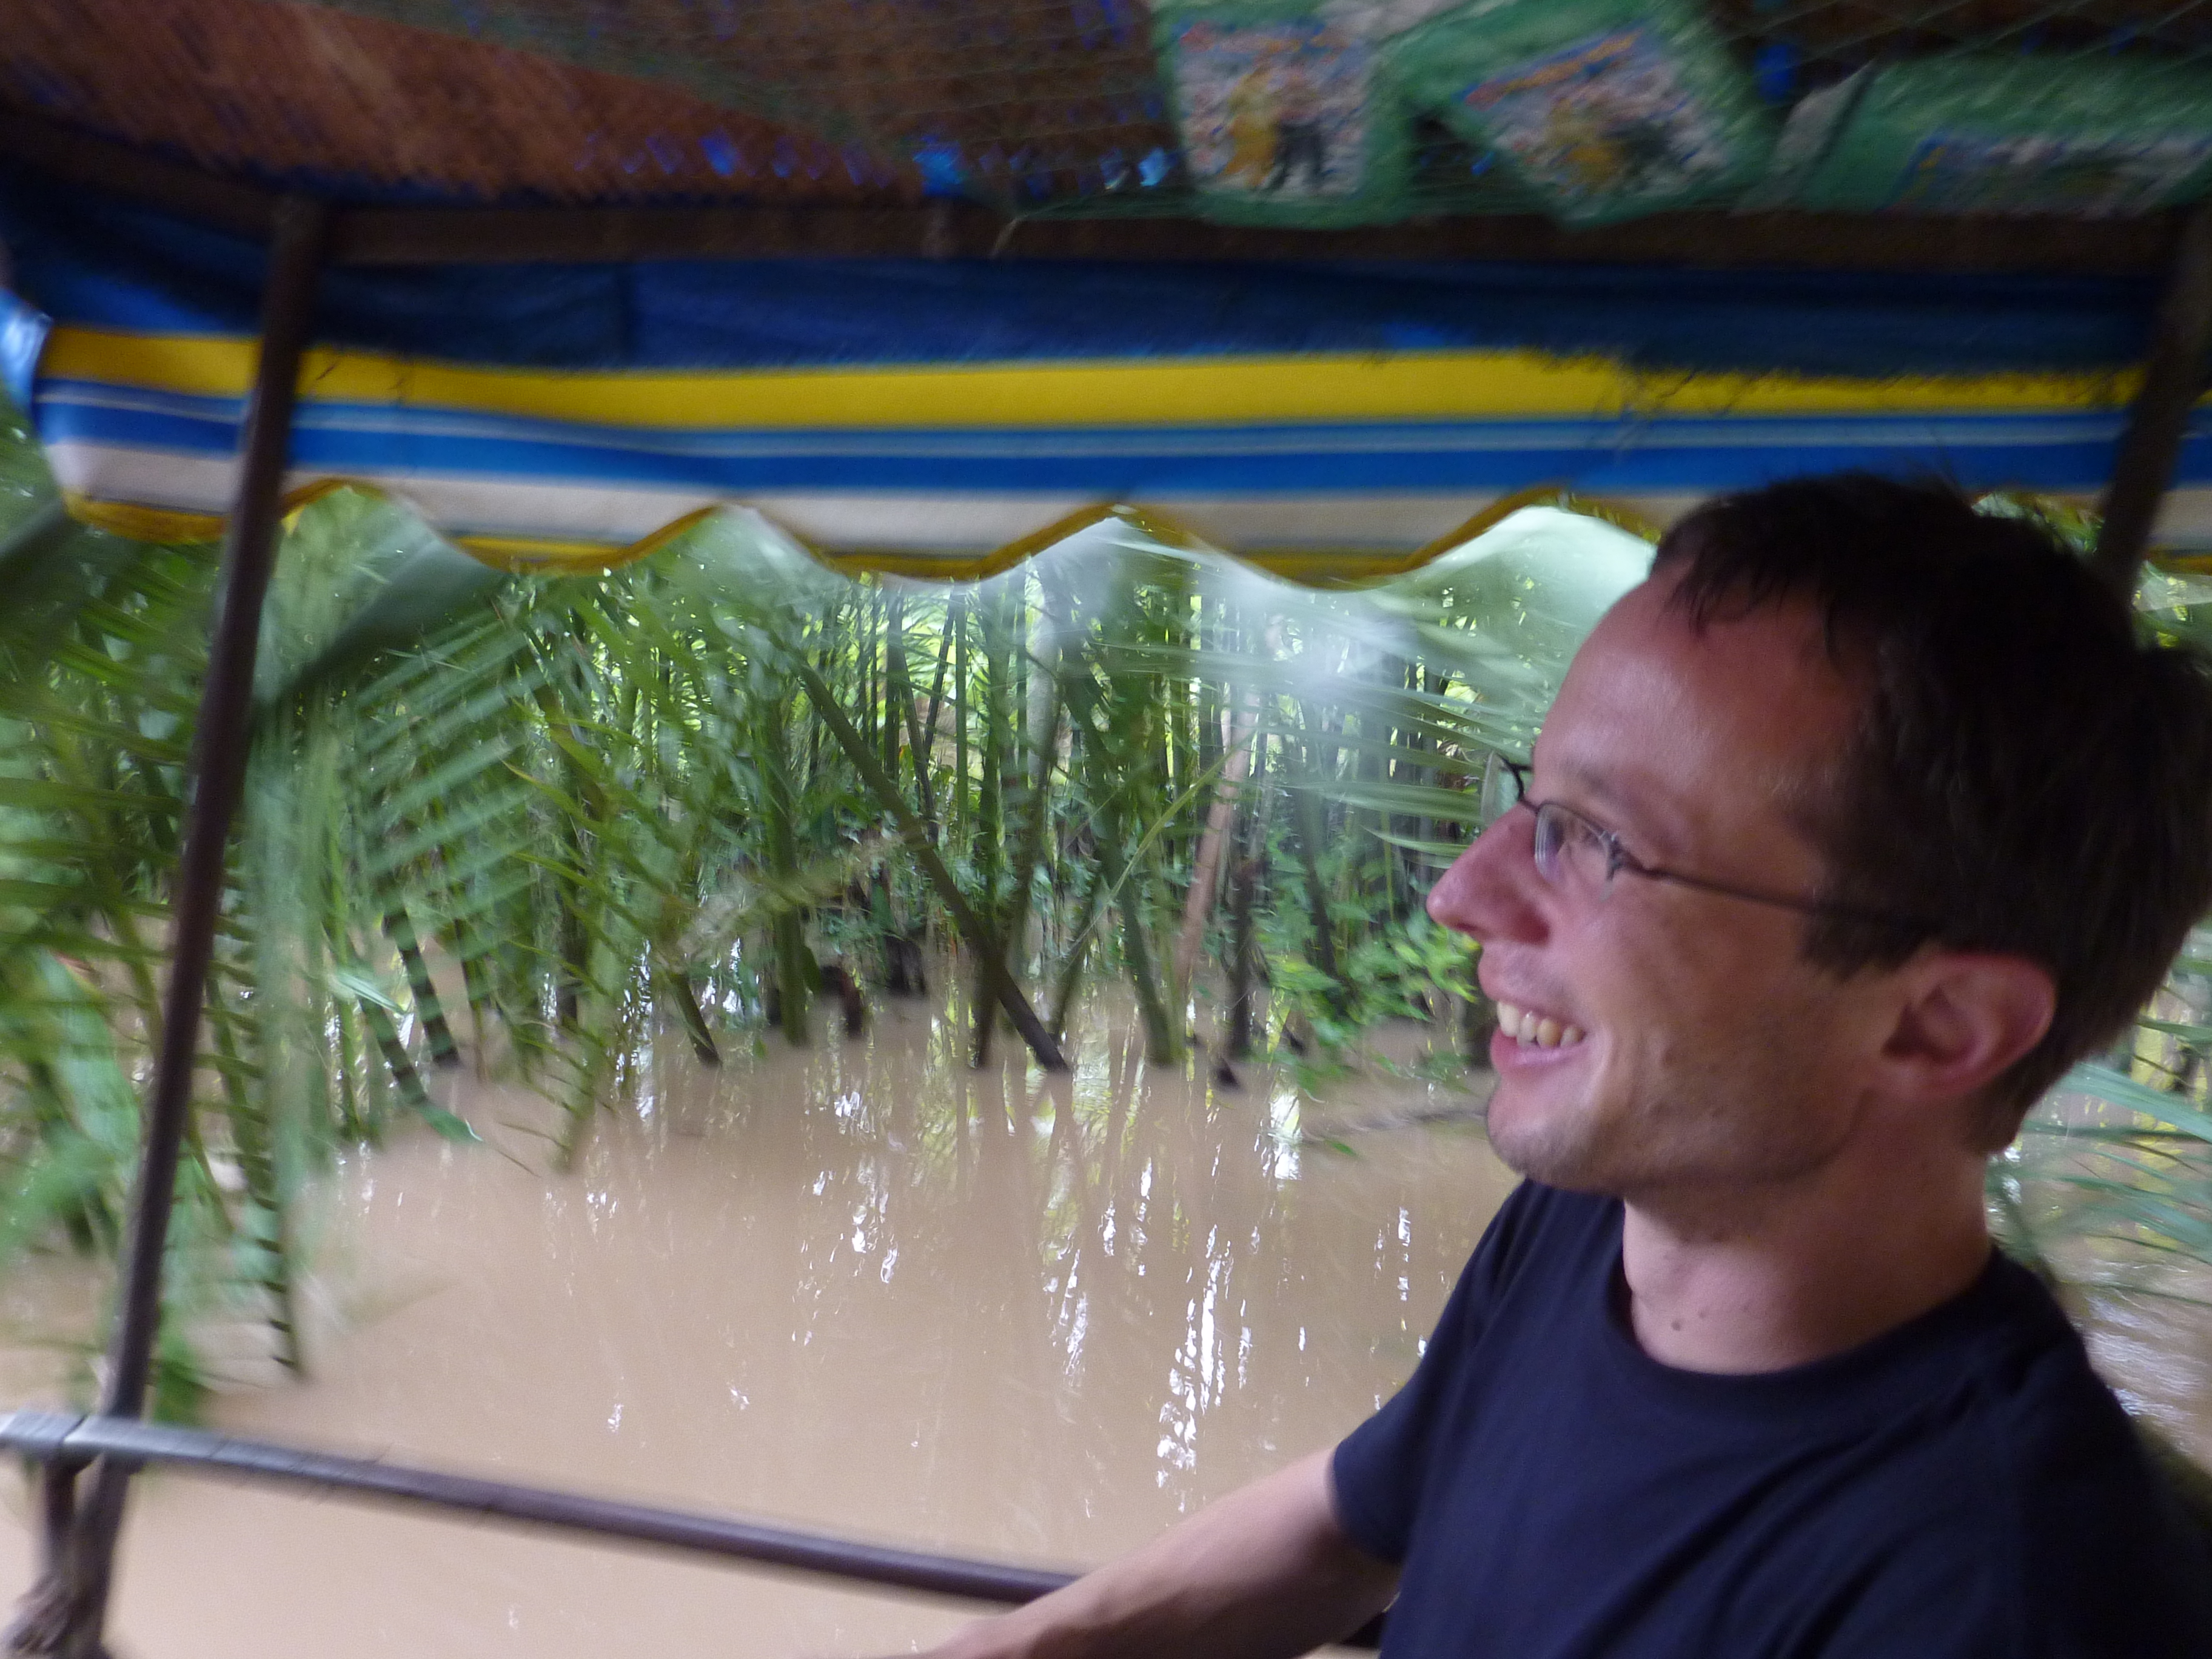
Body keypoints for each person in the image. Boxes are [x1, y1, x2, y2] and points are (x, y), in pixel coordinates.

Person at [893, 474, 2212, 1657]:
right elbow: (1352, 1522)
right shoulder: (1588, 1228)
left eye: (1598, 843)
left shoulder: (2003, 1598)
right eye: (1535, 802)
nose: (1461, 895)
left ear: (1937, 1028)